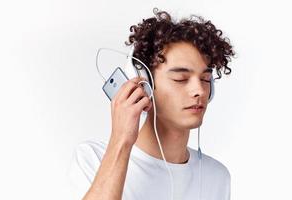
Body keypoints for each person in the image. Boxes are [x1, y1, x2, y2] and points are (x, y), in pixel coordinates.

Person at [68, 8, 235, 200]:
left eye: (205, 79)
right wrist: (121, 141)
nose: (199, 90)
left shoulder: (217, 177)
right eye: (181, 79)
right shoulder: (93, 158)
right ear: (145, 84)